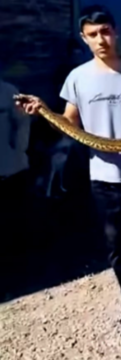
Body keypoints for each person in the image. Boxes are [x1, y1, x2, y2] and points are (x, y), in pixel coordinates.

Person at [15, 4, 121, 342]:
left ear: (116, 31)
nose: (100, 39)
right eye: (92, 34)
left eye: (105, 31)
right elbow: (69, 123)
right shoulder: (77, 78)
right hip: (104, 176)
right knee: (116, 245)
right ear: (84, 38)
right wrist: (43, 112)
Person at [0, 76, 30, 296]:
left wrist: (18, 149)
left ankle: (16, 279)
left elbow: (22, 126)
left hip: (11, 171)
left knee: (12, 225)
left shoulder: (8, 91)